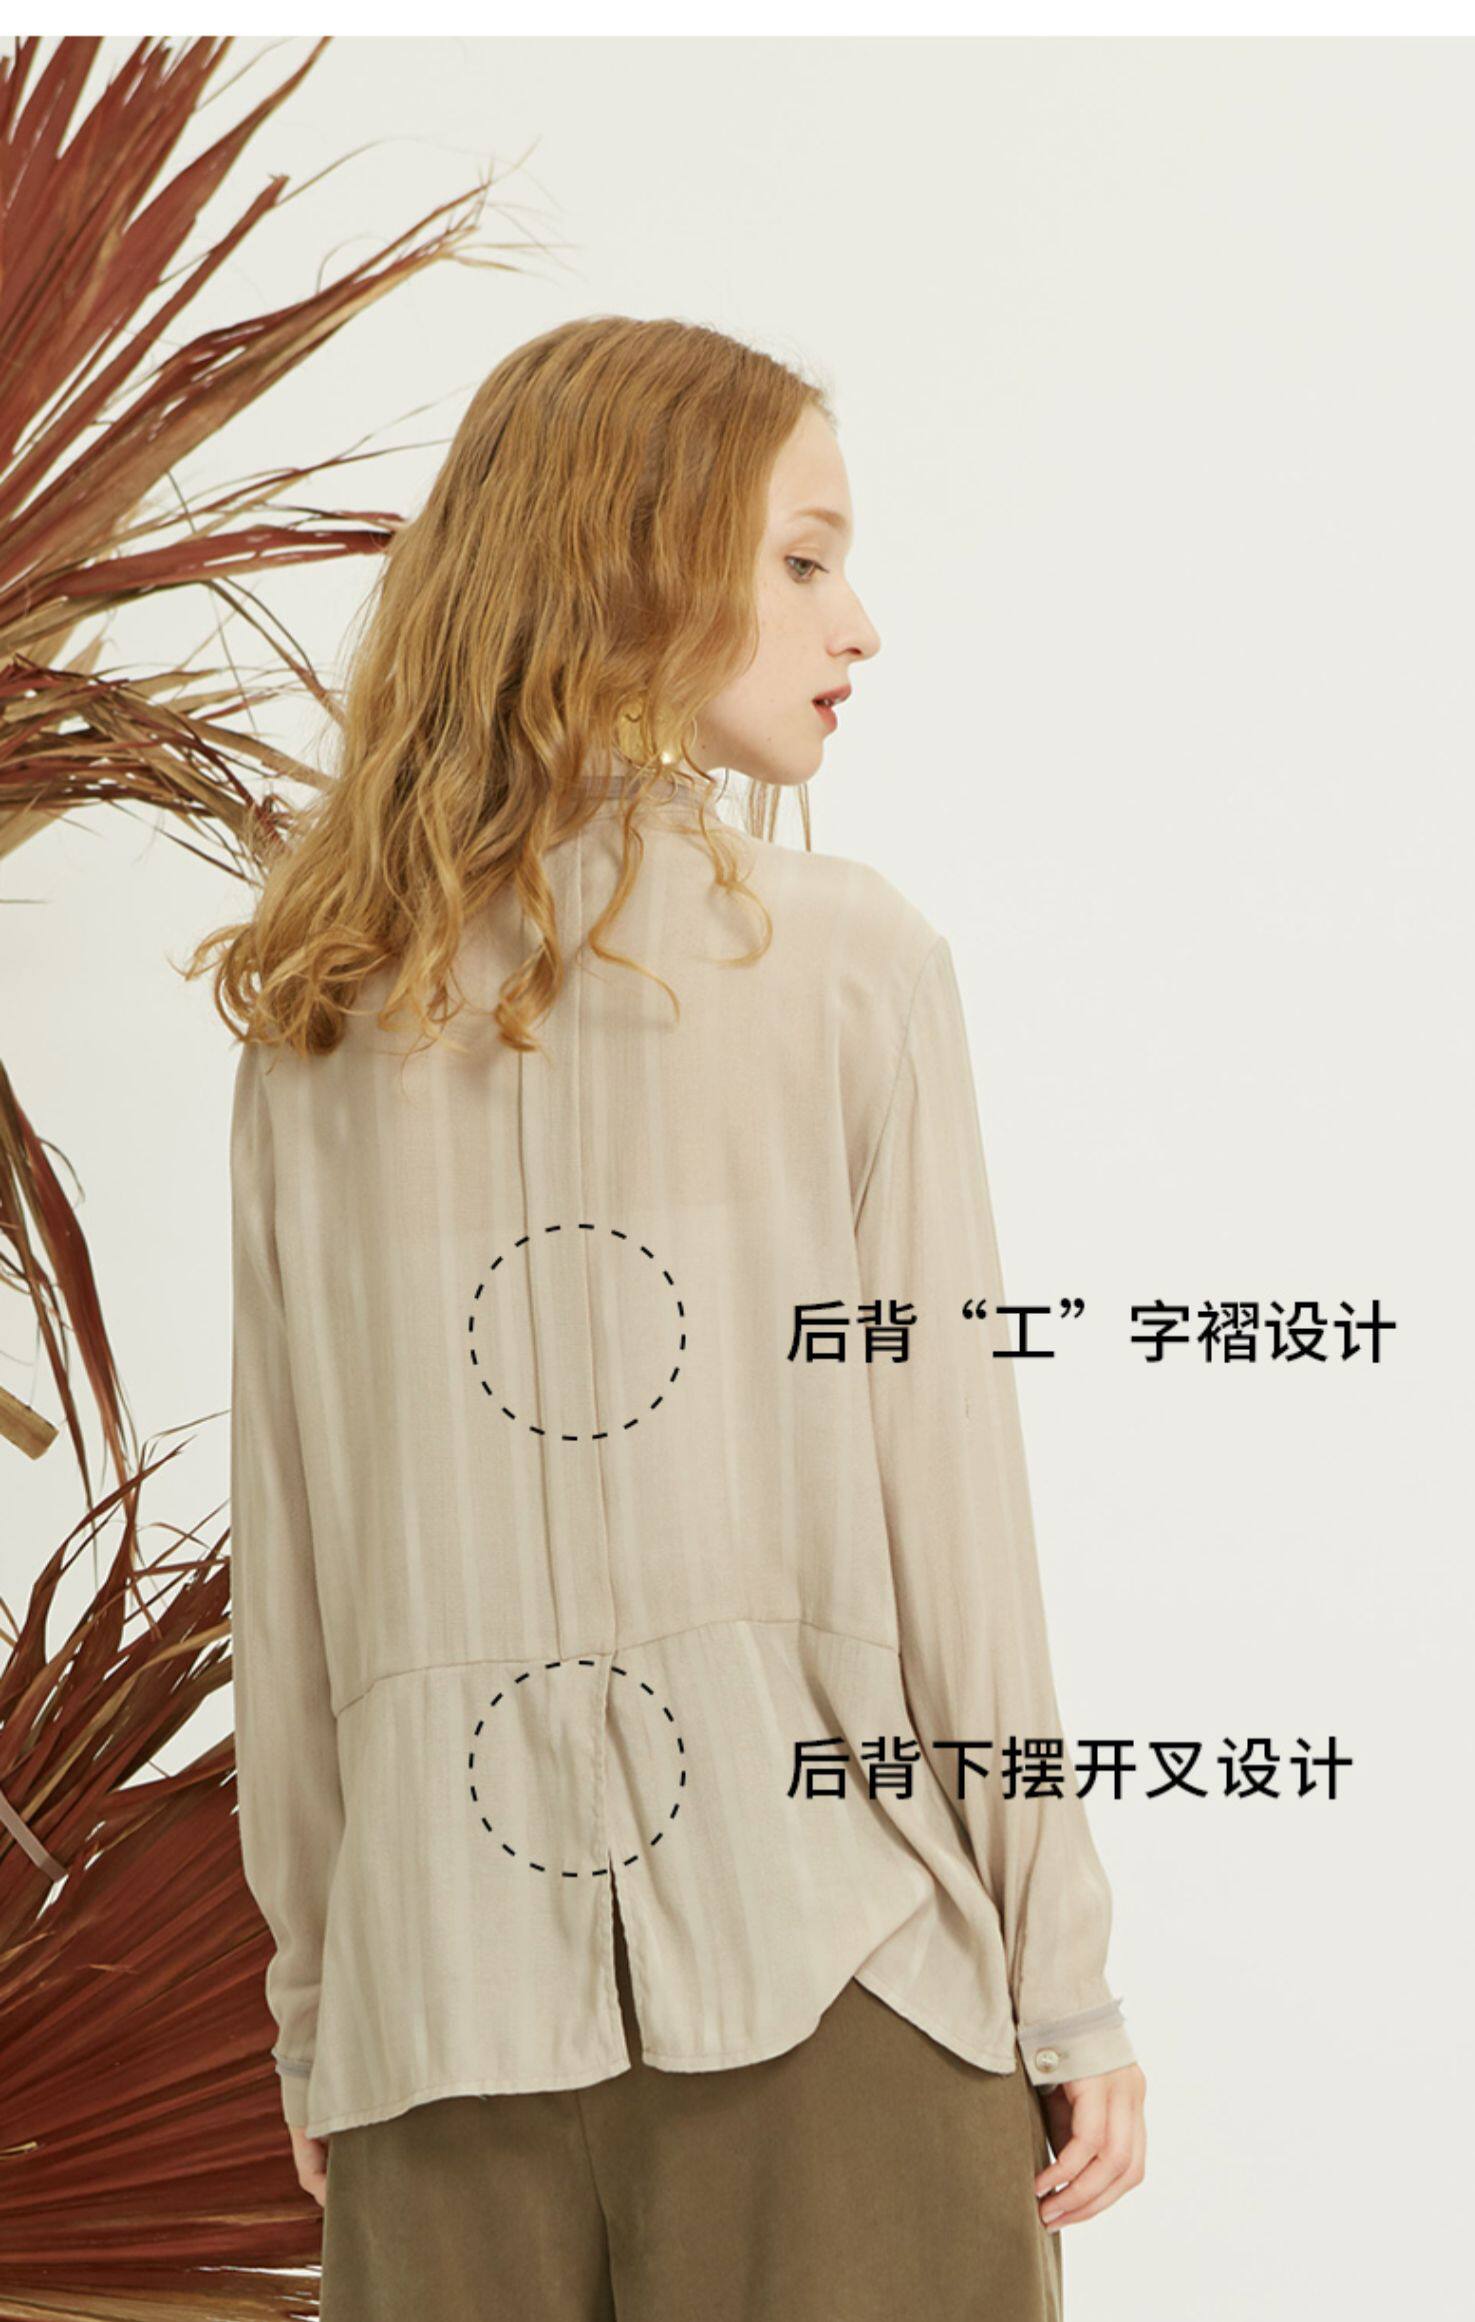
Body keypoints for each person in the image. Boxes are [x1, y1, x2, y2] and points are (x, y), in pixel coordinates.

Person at [196, 314, 1146, 2321]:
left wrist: (323, 2013)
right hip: (840, 2001)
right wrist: (1060, 1977)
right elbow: (954, 1518)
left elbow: (292, 1591)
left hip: (433, 2034)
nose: (858, 623)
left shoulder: (318, 1016)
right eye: (801, 559)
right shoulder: (846, 961)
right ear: (631, 568)